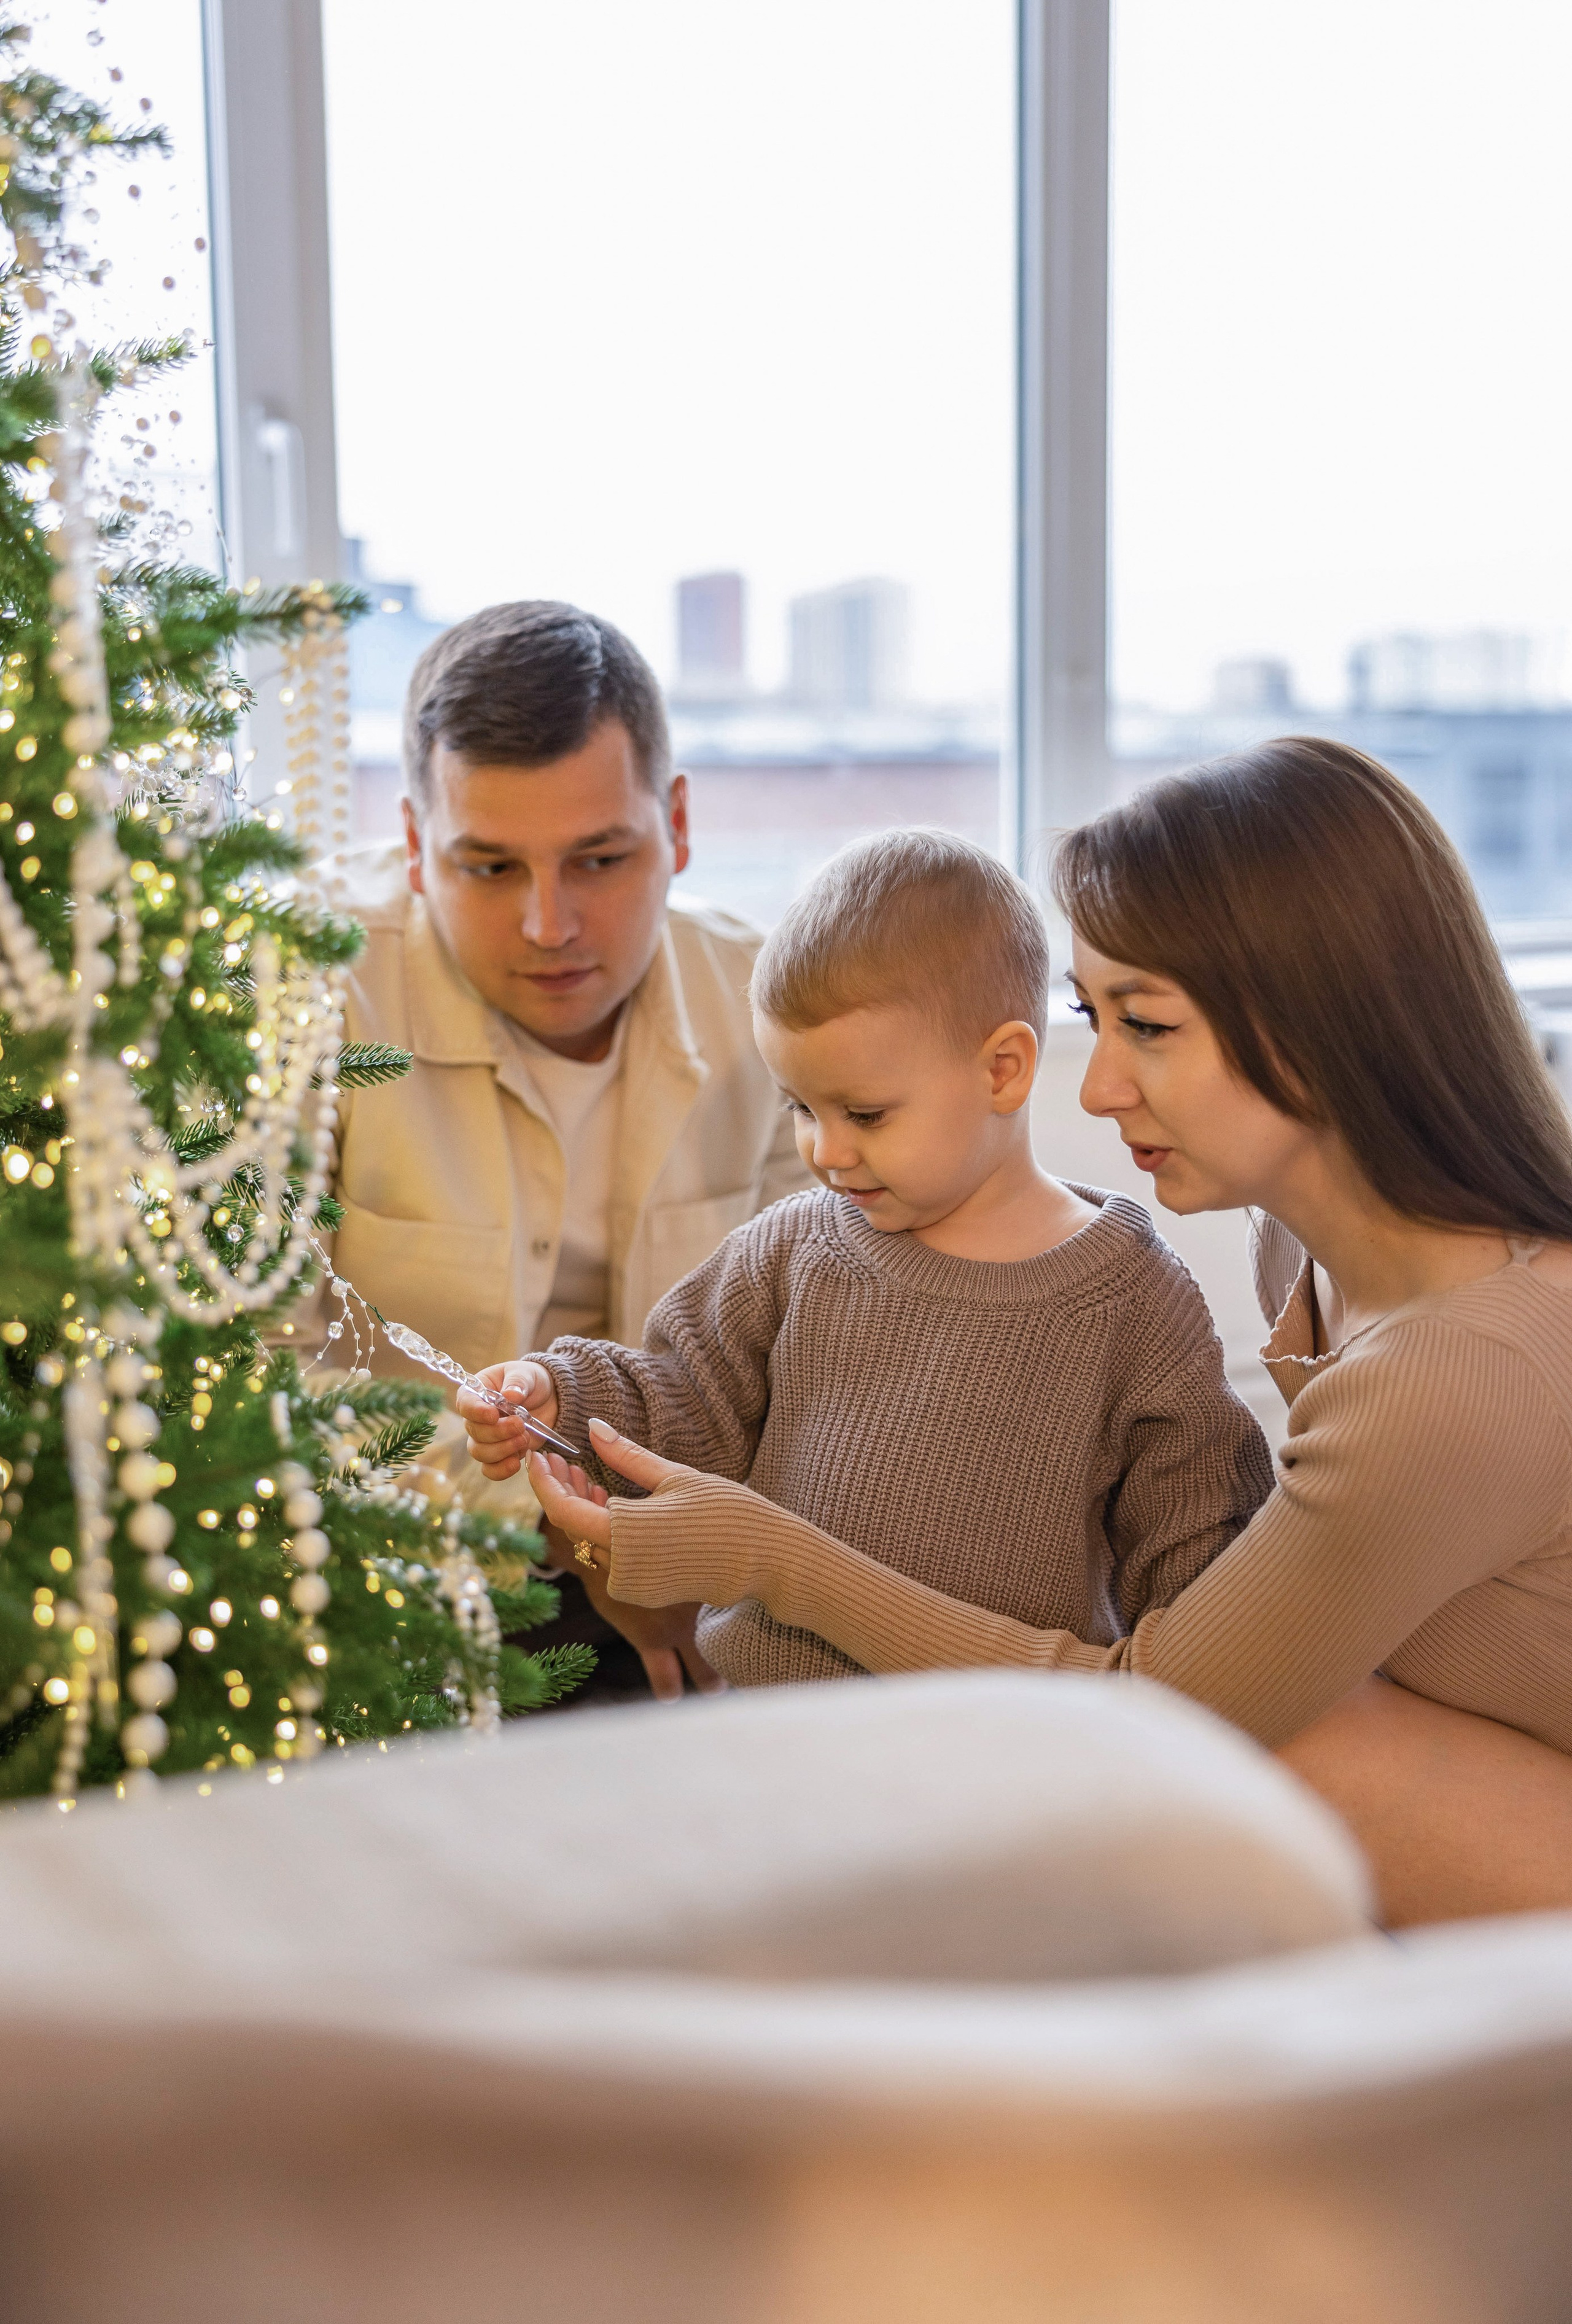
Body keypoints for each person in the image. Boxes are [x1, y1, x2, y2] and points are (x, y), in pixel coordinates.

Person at [524, 741, 1572, 1924]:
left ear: (1314, 1021)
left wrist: (774, 1561)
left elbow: (1163, 1711)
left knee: (1279, 1747)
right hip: (1462, 1747)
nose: (1098, 1087)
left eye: (1148, 1025)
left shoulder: (1459, 1367)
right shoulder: (1308, 1248)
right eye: (1094, 1016)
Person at [461, 830, 1272, 1687]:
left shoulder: (1133, 1297)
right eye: (803, 1108)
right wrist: (563, 1391)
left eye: (866, 1114)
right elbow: (683, 1392)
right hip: (771, 1729)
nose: (826, 1150)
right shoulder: (792, 1247)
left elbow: (1192, 1551)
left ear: (1003, 1070)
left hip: (1003, 1753)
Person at [305, 599, 809, 1698]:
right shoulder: (307, 993)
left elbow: (811, 1352)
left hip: (703, 1556)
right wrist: (575, 1532)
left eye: (598, 858)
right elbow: (250, 1370)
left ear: (675, 825)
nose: (548, 924)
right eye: (489, 867)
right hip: (382, 1566)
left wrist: (682, 1548)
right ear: (411, 845)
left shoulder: (767, 1004)